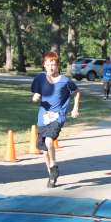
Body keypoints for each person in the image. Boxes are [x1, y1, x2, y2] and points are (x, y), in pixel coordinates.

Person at [31, 52, 80, 188]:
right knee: (45, 151)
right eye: (48, 64)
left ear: (58, 66)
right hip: (43, 118)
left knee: (48, 140)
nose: (51, 67)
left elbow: (76, 92)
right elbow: (37, 93)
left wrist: (75, 108)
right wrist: (36, 97)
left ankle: (53, 165)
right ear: (44, 65)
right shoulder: (40, 78)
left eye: (53, 64)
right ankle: (52, 176)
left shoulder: (65, 81)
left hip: (58, 116)